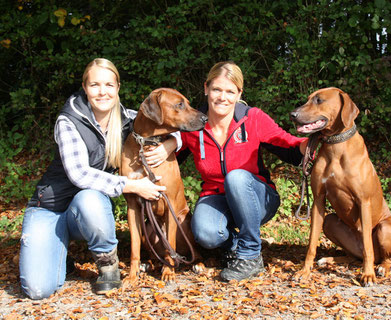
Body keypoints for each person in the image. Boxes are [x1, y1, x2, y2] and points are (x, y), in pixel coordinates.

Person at [19, 58, 179, 299]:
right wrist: (133, 185)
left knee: (90, 199)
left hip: (85, 209)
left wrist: (171, 143)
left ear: (118, 88)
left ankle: (107, 264)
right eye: (95, 85)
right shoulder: (69, 120)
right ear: (85, 88)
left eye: (108, 85)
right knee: (38, 289)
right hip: (50, 208)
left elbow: (169, 121)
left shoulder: (127, 119)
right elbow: (79, 173)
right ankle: (56, 251)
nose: (102, 92)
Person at [177, 61, 308, 282]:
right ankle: (237, 245)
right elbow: (171, 158)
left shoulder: (252, 118)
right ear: (206, 88)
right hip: (216, 196)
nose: (222, 97)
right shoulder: (194, 124)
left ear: (239, 94)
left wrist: (312, 141)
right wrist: (165, 145)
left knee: (236, 177)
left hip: (257, 196)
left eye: (230, 91)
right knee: (205, 234)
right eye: (217, 89)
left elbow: (290, 147)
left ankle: (250, 255)